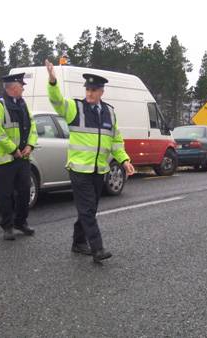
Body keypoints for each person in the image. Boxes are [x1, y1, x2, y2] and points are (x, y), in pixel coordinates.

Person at [45, 60, 135, 263]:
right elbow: (57, 101)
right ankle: (97, 248)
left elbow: (116, 141)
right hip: (79, 169)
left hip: (99, 169)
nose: (89, 94)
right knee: (87, 209)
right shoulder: (75, 108)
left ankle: (78, 242)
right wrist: (52, 81)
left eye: (94, 90)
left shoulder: (109, 112)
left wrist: (125, 160)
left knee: (89, 210)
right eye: (88, 89)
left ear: (101, 91)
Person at [0, 73, 38, 240]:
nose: (23, 88)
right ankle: (7, 226)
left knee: (24, 192)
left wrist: (30, 145)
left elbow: (33, 128)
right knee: (5, 195)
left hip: (22, 158)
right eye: (21, 85)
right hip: (5, 160)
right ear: (12, 87)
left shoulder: (23, 104)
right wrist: (13, 149)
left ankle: (21, 222)